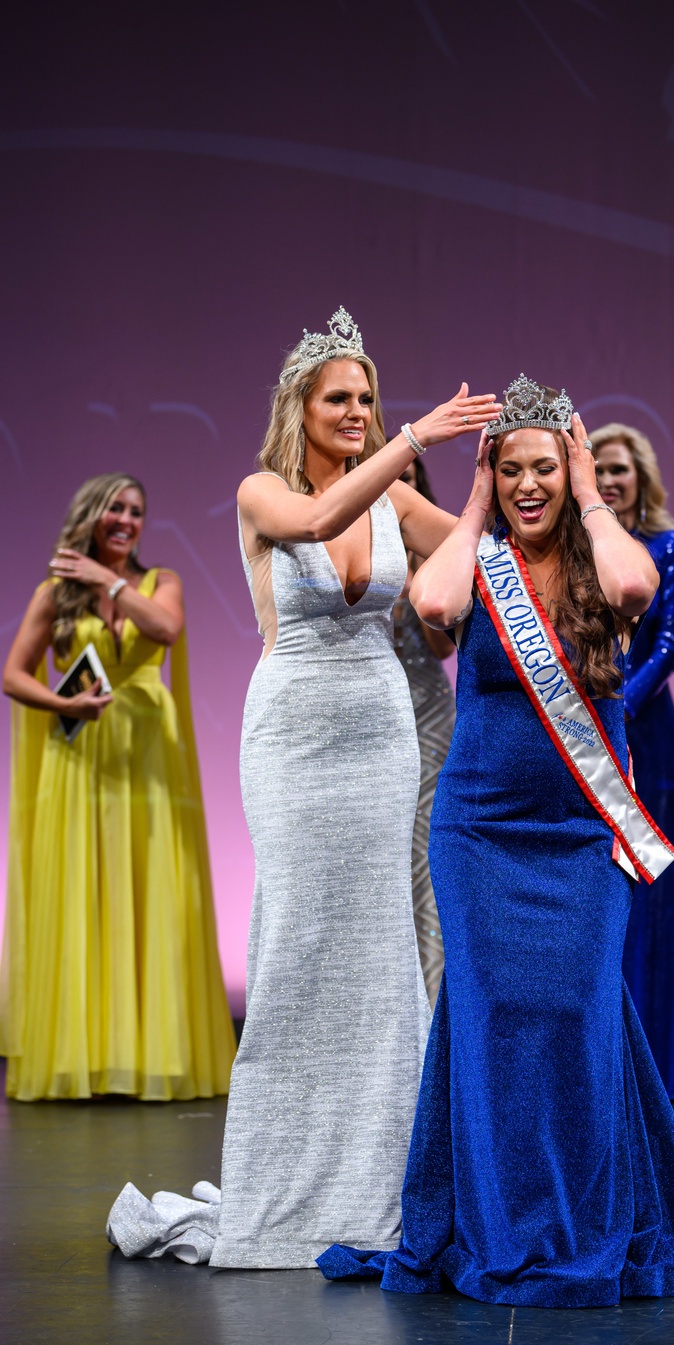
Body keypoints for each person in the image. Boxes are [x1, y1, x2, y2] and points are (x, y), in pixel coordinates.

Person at [318, 375, 674, 1306]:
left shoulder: (608, 559)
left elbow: (639, 583)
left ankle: (585, 1214)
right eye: (511, 469)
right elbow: (435, 608)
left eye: (543, 469)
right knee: (489, 1018)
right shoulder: (478, 556)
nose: (529, 486)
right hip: (480, 831)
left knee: (578, 1012)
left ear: (570, 473)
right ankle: (492, 1217)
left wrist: (593, 496)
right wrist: (474, 498)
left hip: (578, 832)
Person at [107, 309, 500, 1268]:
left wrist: (497, 485)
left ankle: (384, 1181)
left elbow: (479, 561)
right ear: (302, 407)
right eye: (342, 398)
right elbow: (318, 520)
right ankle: (285, 1173)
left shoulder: (399, 499)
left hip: (381, 731)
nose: (361, 412)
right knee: (297, 938)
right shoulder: (261, 493)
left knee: (380, 942)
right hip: (292, 735)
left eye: (370, 398)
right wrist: (416, 439)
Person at [1, 473, 235, 1101]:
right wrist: (61, 702)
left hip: (147, 759)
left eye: (136, 511)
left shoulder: (162, 583)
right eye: (116, 509)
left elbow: (164, 630)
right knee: (82, 892)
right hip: (78, 758)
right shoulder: (55, 593)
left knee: (147, 890)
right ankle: (83, 1060)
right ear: (92, 516)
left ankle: (147, 1058)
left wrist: (108, 581)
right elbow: (13, 676)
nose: (128, 520)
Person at [591, 423, 674, 1100]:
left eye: (621, 471)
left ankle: (661, 1062)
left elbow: (668, 646)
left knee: (654, 878)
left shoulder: (671, 545)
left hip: (645, 732)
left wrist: (616, 710)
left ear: (642, 479)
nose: (609, 481)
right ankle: (603, 1060)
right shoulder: (576, 546)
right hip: (580, 727)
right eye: (599, 469)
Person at [394, 456, 456, 1007]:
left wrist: (414, 566)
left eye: (409, 479)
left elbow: (443, 645)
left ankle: (436, 1002)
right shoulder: (349, 534)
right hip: (368, 711)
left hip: (428, 712)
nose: (400, 485)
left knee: (424, 857)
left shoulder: (434, 545)